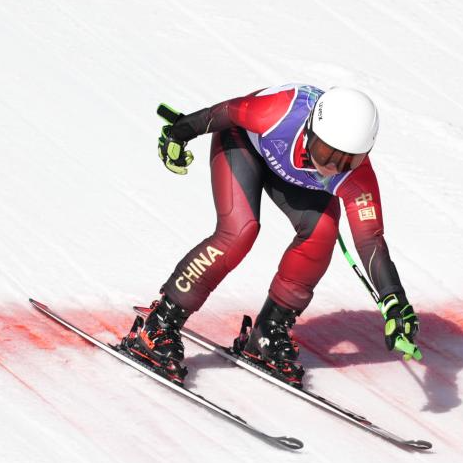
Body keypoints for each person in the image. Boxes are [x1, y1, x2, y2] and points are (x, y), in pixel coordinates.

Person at [122, 83, 418, 387]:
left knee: (323, 231)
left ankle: (268, 331)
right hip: (243, 144)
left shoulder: (358, 176)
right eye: (326, 152)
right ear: (310, 130)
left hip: (293, 175)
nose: (331, 167)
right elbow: (227, 112)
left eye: (346, 161)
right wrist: (180, 132)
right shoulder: (279, 112)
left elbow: (370, 240)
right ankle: (160, 323)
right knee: (240, 230)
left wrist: (394, 300)